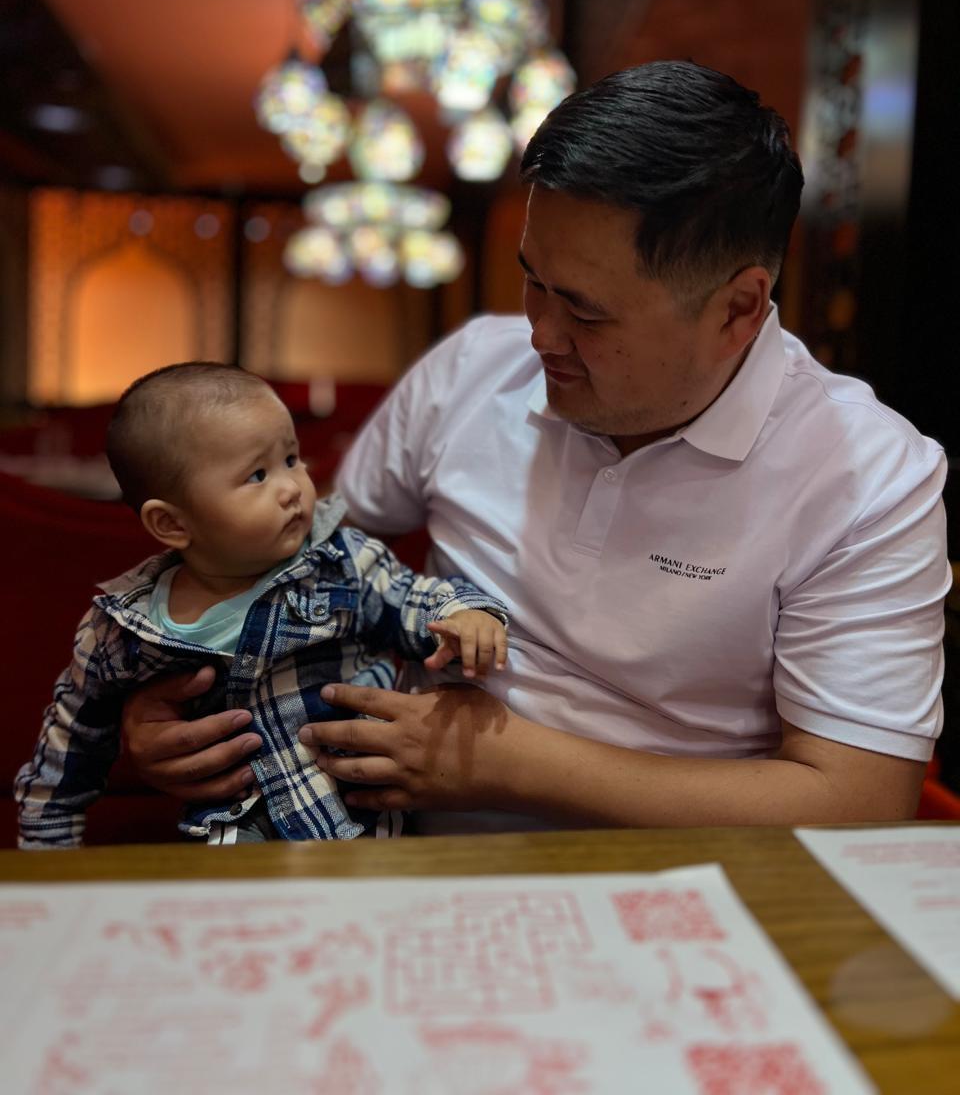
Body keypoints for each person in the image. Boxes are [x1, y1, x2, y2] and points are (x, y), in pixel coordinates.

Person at [119, 61, 950, 833]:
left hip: (692, 877)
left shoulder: (867, 476)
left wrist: (505, 762)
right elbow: (294, 547)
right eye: (532, 281)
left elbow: (858, 802)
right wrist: (172, 694)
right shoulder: (473, 369)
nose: (541, 335)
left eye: (585, 311)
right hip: (395, 842)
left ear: (737, 309)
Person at [15, 363, 507, 848]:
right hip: (234, 832)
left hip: (361, 817)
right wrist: (48, 838)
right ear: (172, 524)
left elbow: (411, 596)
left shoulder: (340, 563)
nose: (292, 488)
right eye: (257, 475)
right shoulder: (126, 628)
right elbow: (70, 738)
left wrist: (462, 616)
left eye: (291, 459)